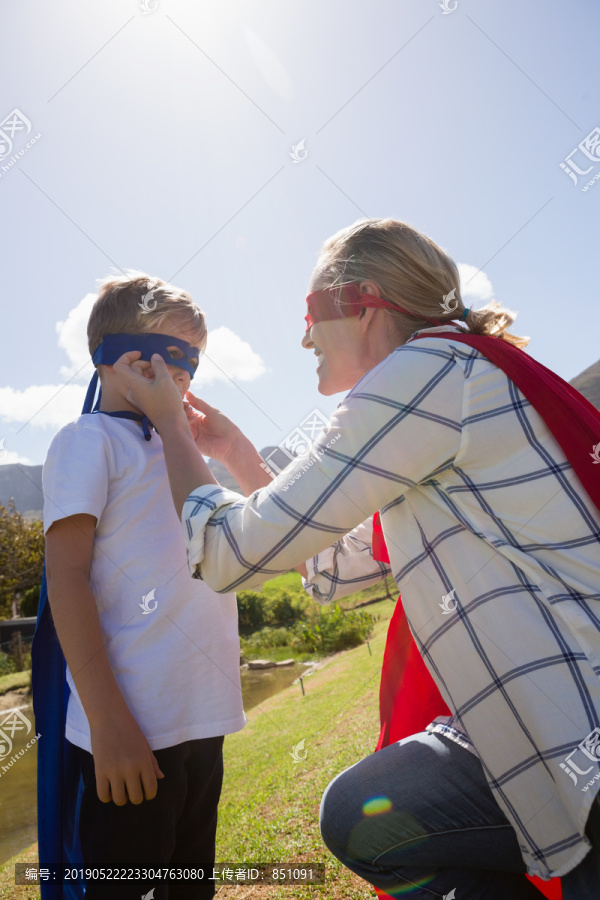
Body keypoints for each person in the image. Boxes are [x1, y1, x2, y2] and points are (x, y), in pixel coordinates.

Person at [112, 219, 600, 900]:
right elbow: (332, 572)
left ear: (364, 304)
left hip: (580, 731)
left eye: (311, 315)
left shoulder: (424, 374)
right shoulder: (447, 386)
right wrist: (237, 455)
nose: (304, 337)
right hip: (545, 730)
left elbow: (226, 553)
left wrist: (170, 428)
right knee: (363, 814)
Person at [32, 272, 246, 900]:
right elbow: (67, 578)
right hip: (131, 730)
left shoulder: (180, 454)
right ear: (114, 359)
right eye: (166, 360)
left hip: (198, 719)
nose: (182, 380)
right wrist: (108, 722)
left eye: (191, 366)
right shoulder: (87, 442)